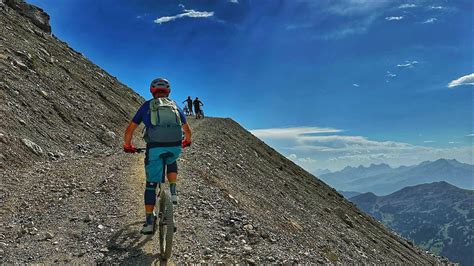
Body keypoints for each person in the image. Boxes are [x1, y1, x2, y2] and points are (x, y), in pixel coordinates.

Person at [123, 77, 192, 234]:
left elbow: (130, 130)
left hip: (154, 148)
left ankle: (149, 223)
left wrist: (128, 145)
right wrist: (186, 142)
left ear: (152, 90)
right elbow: (187, 131)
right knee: (172, 158)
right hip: (175, 145)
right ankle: (173, 193)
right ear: (168, 91)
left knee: (151, 185)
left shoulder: (147, 106)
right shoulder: (175, 106)